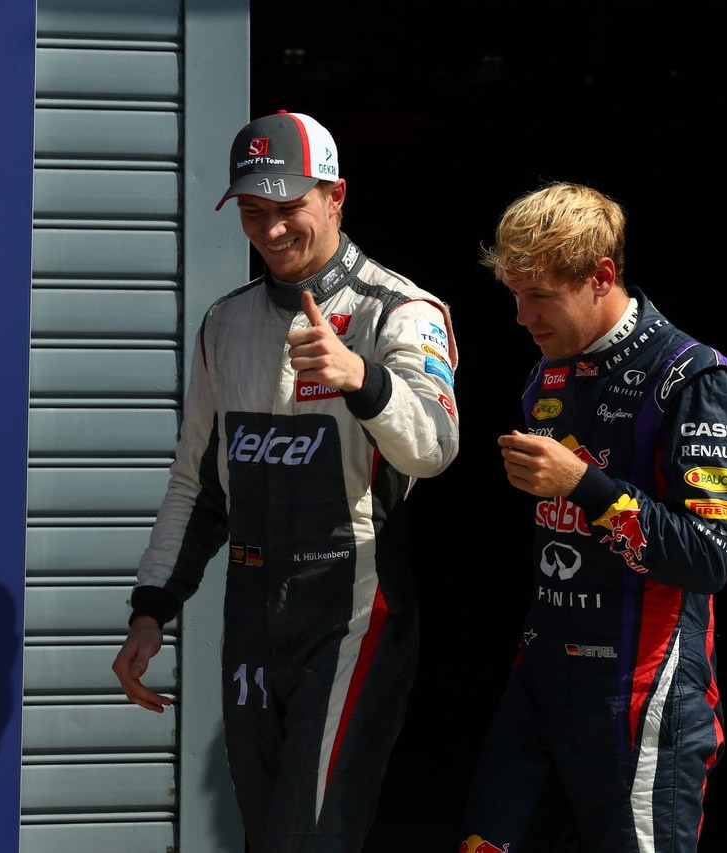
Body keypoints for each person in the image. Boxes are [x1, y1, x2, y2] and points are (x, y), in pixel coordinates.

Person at [110, 110, 460, 852]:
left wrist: (358, 376)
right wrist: (150, 609)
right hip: (251, 614)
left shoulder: (398, 309)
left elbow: (434, 448)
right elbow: (197, 485)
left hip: (353, 613)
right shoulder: (225, 324)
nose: (270, 231)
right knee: (268, 836)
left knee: (309, 837)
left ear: (335, 197)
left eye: (289, 208)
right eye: (252, 211)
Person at [460, 182, 727, 853]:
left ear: (600, 277)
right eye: (514, 293)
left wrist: (585, 486)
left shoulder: (694, 378)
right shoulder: (548, 376)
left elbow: (709, 556)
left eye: (539, 295)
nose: (521, 315)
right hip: (542, 679)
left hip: (642, 693)